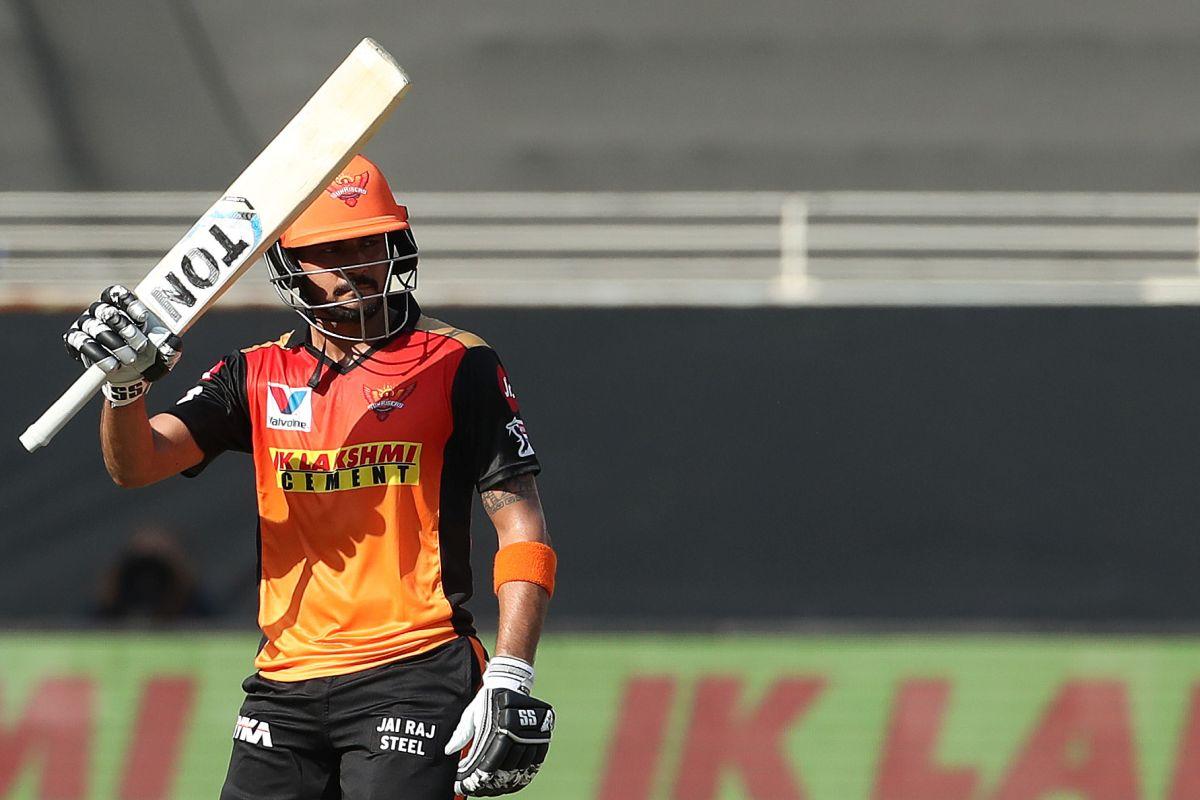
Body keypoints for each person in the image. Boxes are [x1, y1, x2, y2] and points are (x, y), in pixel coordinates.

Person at [64, 154, 556, 799]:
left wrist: (512, 672)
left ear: (396, 244)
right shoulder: (255, 372)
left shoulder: (457, 360)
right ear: (292, 266)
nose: (354, 265)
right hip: (285, 682)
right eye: (331, 250)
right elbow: (137, 465)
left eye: (367, 242)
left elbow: (519, 516)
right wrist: (123, 390)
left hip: (415, 670)